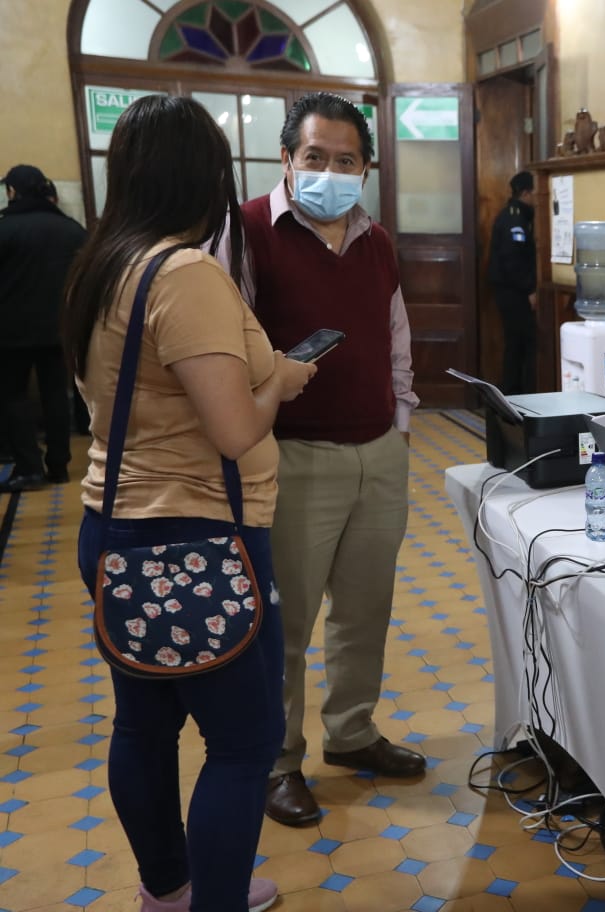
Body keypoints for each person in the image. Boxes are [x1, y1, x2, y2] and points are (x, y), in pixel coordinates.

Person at [64, 95, 315, 912]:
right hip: (199, 540)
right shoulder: (186, 273)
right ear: (202, 176)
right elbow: (236, 430)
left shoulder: (103, 264)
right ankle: (214, 900)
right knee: (243, 747)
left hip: (115, 529)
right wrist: (280, 377)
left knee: (143, 727)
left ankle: (165, 892)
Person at [228, 91, 423, 827]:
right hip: (293, 456)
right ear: (287, 157)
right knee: (288, 621)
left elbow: (396, 337)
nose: (330, 172)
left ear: (365, 167)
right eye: (315, 158)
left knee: (365, 609)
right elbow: (228, 351)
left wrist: (400, 426)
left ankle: (353, 734)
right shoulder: (246, 232)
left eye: (347, 161)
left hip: (379, 450)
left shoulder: (377, 242)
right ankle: (279, 760)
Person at [0, 163, 87, 492]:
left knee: (13, 396)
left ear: (12, 191)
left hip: (10, 334)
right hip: (60, 330)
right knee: (55, 394)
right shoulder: (71, 229)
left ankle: (29, 468)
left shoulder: (5, 229)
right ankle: (59, 465)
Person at [488, 170, 538, 393]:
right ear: (526, 193)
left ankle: (515, 395)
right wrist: (529, 289)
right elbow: (513, 260)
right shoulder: (515, 218)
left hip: (511, 289)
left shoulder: (518, 215)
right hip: (512, 291)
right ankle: (514, 395)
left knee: (519, 344)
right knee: (520, 344)